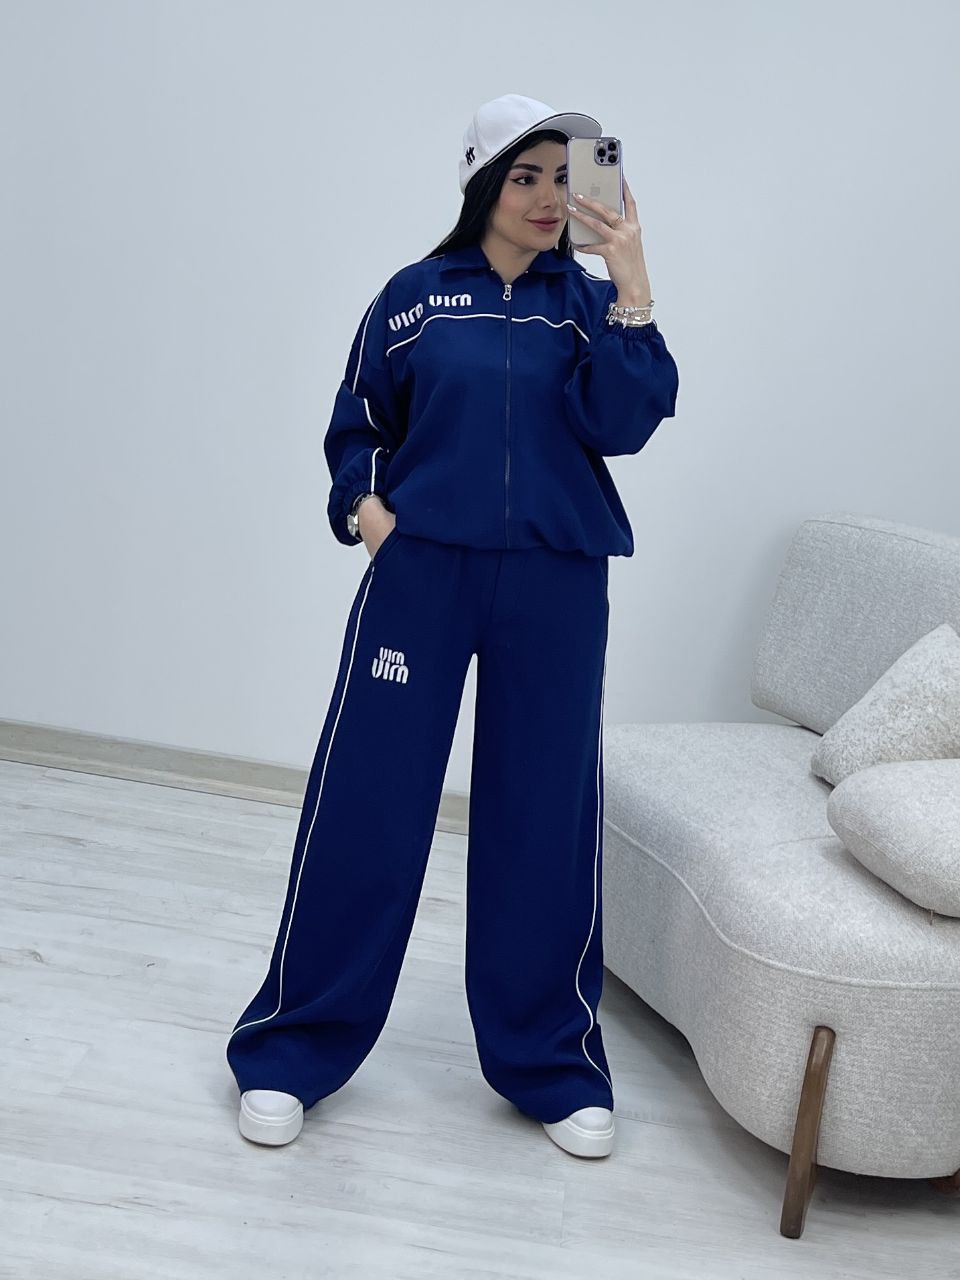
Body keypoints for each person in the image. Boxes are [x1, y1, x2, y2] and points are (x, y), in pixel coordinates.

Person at [225, 93, 680, 1160]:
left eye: (565, 176)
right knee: (367, 801)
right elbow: (356, 422)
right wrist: (367, 511)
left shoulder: (587, 303)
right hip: (422, 574)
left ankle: (551, 1061)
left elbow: (624, 421)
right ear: (482, 183)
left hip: (556, 580)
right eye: (525, 176)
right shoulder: (414, 297)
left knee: (544, 815)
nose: (549, 197)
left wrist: (633, 279)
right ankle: (293, 1044)